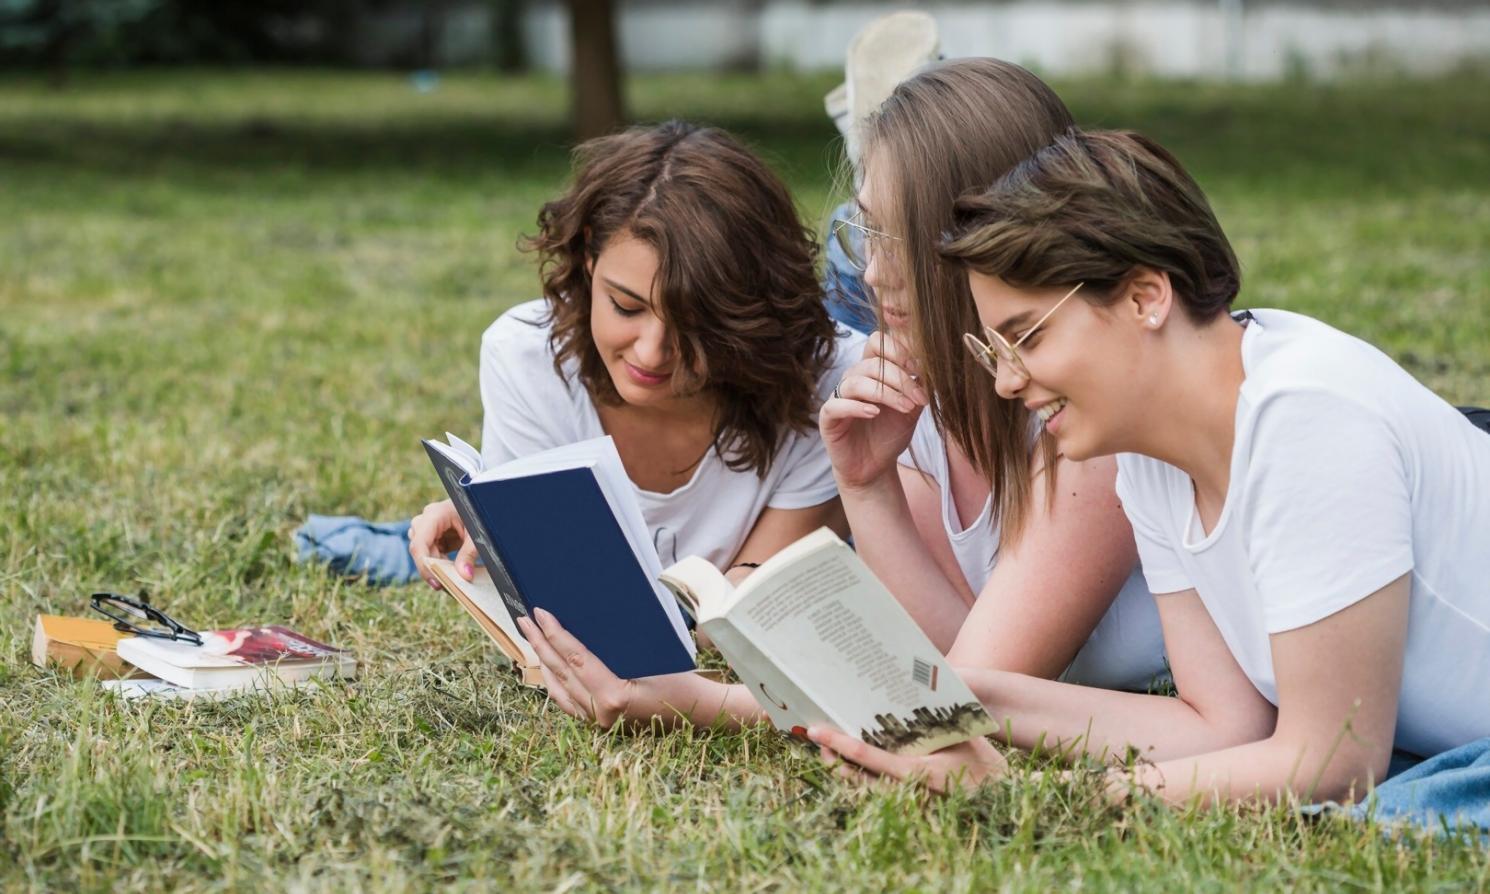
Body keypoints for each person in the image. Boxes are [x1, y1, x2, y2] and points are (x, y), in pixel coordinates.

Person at [810, 128, 1490, 807]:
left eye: (1027, 338)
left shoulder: (1304, 416)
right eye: (996, 351)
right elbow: (1222, 725)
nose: (1008, 382)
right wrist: (962, 698)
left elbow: (1333, 761)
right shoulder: (1150, 455)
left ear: (1145, 297)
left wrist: (1032, 797)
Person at [521, 60, 1167, 730]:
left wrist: (701, 704)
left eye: (903, 239)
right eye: (870, 232)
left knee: (822, 310)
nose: (878, 272)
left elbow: (965, 702)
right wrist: (866, 485)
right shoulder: (912, 389)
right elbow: (943, 656)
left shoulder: (1091, 418)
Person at [409, 120, 860, 630]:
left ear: (750, 309)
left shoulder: (832, 384)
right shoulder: (524, 357)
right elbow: (556, 593)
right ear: (587, 257)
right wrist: (496, 536)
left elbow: (741, 615)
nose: (652, 352)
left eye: (696, 324)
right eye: (626, 307)